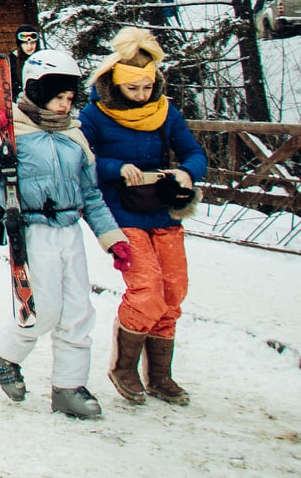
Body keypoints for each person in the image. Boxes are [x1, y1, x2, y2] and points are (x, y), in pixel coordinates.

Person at [0, 50, 130, 421]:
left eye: (70, 97)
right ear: (37, 91)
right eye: (58, 96)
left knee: (78, 311)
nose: (65, 104)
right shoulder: (10, 128)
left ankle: (69, 387)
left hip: (69, 230)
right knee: (42, 310)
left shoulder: (74, 135)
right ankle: (3, 356)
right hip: (31, 229)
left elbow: (90, 194)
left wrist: (113, 238)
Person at [78, 27, 206, 408]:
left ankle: (161, 376)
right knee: (147, 288)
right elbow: (81, 159)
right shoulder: (94, 115)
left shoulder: (165, 111)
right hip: (121, 210)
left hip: (162, 209)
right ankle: (124, 367)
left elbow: (195, 153)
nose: (141, 95)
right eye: (132, 88)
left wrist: (187, 172)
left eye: (147, 87)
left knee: (173, 291)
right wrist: (117, 167)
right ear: (115, 83)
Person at [9, 25, 42, 98]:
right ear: (20, 45)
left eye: (32, 43)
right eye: (25, 43)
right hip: (21, 100)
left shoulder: (42, 59)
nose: (29, 47)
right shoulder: (13, 62)